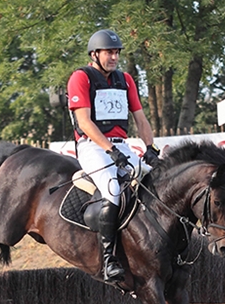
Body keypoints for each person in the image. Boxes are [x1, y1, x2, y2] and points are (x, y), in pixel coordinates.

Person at [67, 29, 161, 283]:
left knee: (154, 183)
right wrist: (110, 150)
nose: (114, 57)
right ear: (95, 54)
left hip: (122, 146)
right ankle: (108, 260)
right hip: (93, 147)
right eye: (109, 52)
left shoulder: (126, 79)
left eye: (117, 52)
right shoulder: (81, 78)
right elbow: (84, 122)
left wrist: (150, 148)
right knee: (112, 190)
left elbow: (140, 118)